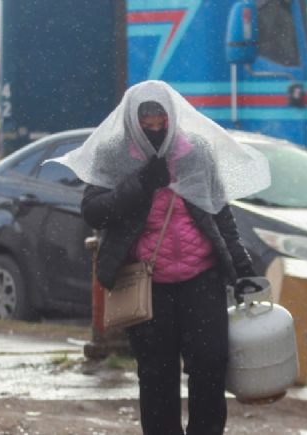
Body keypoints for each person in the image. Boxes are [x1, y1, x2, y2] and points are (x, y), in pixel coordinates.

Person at [52, 80, 271, 435]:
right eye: (147, 123)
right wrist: (140, 184)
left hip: (201, 278)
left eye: (161, 121)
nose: (155, 128)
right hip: (147, 284)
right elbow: (94, 212)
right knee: (156, 373)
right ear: (132, 121)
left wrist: (241, 268)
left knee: (210, 365)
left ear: (172, 117)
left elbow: (219, 211)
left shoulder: (196, 151)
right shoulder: (115, 154)